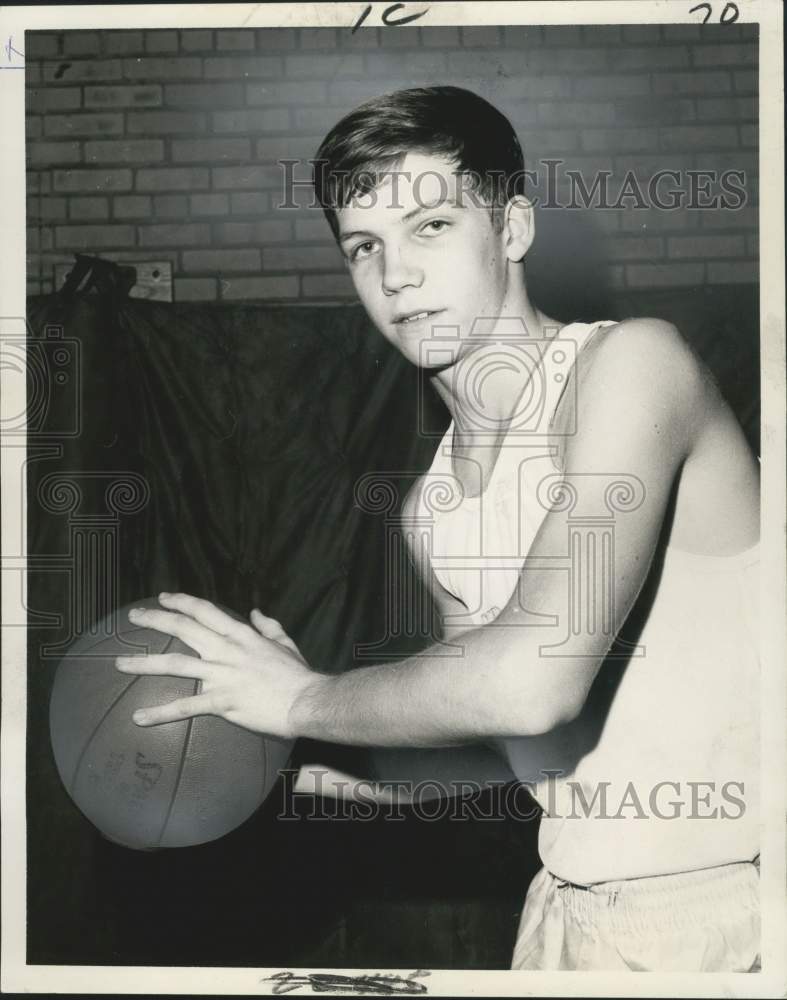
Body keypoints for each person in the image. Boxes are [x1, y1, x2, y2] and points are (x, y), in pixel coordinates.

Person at [116, 86, 761, 972]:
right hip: (567, 912)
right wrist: (331, 763)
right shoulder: (434, 504)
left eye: (430, 227)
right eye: (364, 247)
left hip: (731, 909)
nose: (394, 275)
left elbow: (533, 681)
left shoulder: (633, 366)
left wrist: (302, 697)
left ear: (514, 229)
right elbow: (517, 750)